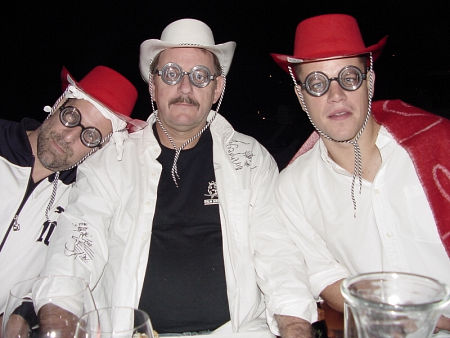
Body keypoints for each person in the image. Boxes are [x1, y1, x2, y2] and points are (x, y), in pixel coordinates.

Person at [37, 18, 288, 337]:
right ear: (153, 86)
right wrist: (59, 317)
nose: (185, 88)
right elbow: (80, 237)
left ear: (217, 88)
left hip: (237, 331)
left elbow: (277, 252)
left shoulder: (250, 159)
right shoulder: (113, 161)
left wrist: (293, 322)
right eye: (171, 74)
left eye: (200, 76)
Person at [256, 13, 450, 337]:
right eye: (317, 83)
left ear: (369, 83)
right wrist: (397, 319)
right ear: (301, 97)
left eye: (349, 77)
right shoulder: (293, 188)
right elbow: (325, 277)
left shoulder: (440, 147)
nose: (335, 95)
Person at [0, 64, 144, 334]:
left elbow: (61, 270)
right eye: (70, 116)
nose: (69, 136)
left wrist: (23, 310)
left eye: (90, 136)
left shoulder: (82, 201)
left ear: (100, 149)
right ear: (57, 105)